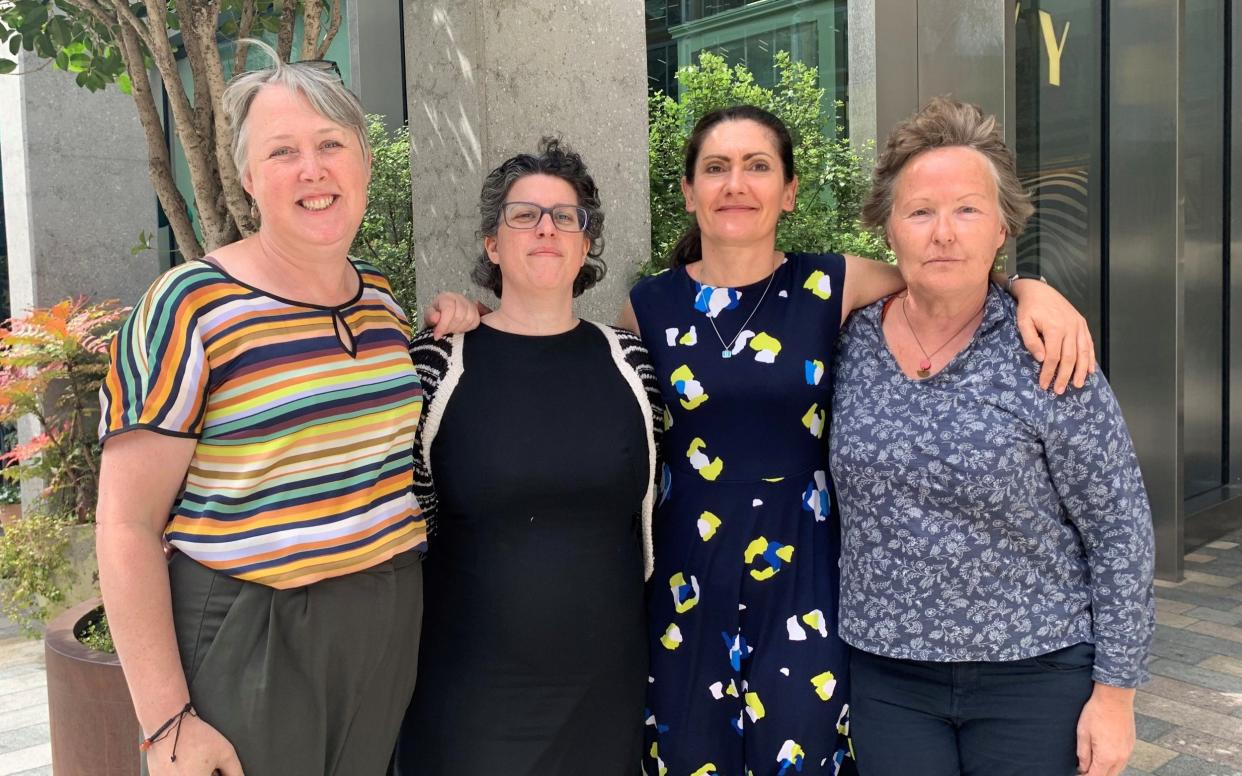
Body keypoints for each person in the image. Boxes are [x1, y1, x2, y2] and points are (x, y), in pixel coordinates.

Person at [425, 105, 1094, 776]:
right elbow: (557, 357)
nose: (735, 184)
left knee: (800, 755)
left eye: (757, 166)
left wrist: (1030, 289)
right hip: (687, 572)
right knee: (686, 754)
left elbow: (948, 277)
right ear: (688, 192)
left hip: (803, 576)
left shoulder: (834, 283)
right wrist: (474, 318)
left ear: (789, 189)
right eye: (716, 168)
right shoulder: (647, 308)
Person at [95, 42, 424, 776]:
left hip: (386, 616)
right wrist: (167, 722)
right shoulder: (190, 305)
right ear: (248, 177)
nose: (312, 169)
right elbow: (125, 524)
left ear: (364, 163)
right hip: (252, 633)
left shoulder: (381, 302)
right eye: (282, 152)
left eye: (330, 144)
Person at [830, 96, 1154, 776]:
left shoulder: (1047, 349)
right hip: (888, 682)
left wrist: (1116, 693)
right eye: (920, 211)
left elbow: (1120, 528)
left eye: (967, 209)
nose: (943, 232)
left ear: (1002, 227)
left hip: (1035, 677)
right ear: (888, 229)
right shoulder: (843, 344)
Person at [391, 138, 663, 776]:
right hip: (466, 693)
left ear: (587, 241)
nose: (547, 228)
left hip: (606, 689)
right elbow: (408, 509)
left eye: (565, 216)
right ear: (492, 243)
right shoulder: (437, 361)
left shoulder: (632, 362)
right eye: (524, 215)